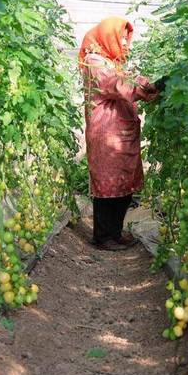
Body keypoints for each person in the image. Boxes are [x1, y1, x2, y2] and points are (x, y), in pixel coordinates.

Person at [78, 17, 165, 250]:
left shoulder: (110, 62)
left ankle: (114, 234)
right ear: (108, 36)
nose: (125, 43)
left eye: (126, 39)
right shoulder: (94, 62)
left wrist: (150, 84)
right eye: (121, 38)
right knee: (108, 187)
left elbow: (125, 79)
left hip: (120, 134)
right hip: (107, 134)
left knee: (123, 187)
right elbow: (115, 83)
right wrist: (147, 87)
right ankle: (103, 238)